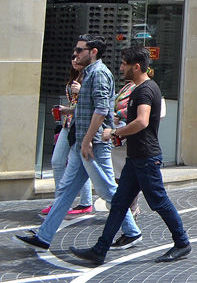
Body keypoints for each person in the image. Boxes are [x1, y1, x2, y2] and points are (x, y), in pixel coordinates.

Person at [16, 36, 141, 252]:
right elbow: (90, 106)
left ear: (92, 52)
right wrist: (68, 111)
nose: (75, 54)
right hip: (82, 142)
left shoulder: (99, 74)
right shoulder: (90, 73)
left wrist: (86, 142)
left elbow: (102, 110)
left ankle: (132, 231)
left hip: (92, 144)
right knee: (66, 190)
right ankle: (44, 236)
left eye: (79, 50)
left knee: (108, 190)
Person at [69, 47, 191, 265]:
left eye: (124, 63)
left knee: (159, 201)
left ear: (136, 67)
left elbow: (142, 122)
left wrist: (114, 132)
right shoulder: (139, 89)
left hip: (145, 157)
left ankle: (182, 243)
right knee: (119, 203)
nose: (121, 67)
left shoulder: (144, 91)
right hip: (136, 158)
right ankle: (100, 249)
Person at [43, 56, 94, 217]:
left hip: (81, 125)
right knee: (57, 161)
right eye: (72, 57)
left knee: (82, 164)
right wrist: (63, 109)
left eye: (78, 57)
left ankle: (85, 202)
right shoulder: (74, 76)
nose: (74, 59)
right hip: (68, 124)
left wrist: (81, 92)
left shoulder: (91, 77)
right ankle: (60, 201)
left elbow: (96, 104)